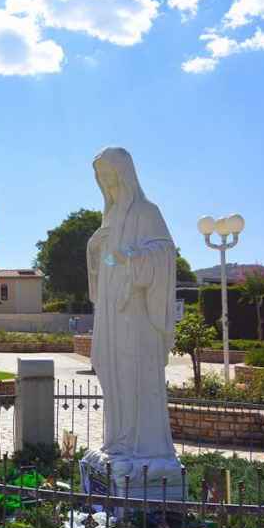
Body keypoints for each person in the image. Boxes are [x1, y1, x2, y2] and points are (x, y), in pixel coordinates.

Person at [82, 147, 179, 489]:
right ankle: (119, 441)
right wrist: (95, 249)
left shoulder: (146, 212)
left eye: (109, 176)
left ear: (124, 174)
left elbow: (166, 255)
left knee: (135, 376)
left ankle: (143, 447)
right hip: (111, 314)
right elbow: (105, 267)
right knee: (114, 375)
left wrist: (133, 258)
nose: (105, 184)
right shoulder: (110, 216)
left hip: (137, 319)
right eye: (100, 178)